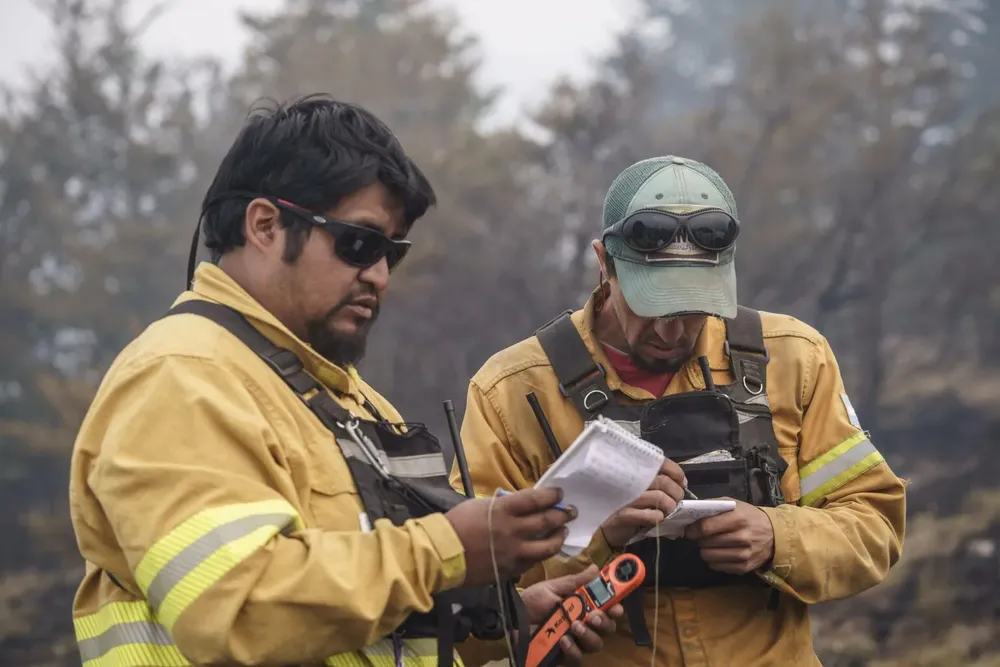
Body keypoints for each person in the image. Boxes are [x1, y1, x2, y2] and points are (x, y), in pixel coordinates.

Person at [67, 94, 623, 667]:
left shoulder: (349, 399)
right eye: (359, 243)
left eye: (391, 254)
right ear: (264, 226)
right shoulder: (180, 377)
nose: (379, 276)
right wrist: (452, 548)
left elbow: (364, 614)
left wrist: (509, 620)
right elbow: (239, 609)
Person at [453, 155, 907, 666]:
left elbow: (875, 528)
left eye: (692, 310)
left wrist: (777, 537)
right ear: (604, 264)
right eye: (650, 305)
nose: (670, 333)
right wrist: (599, 537)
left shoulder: (794, 359)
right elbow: (463, 606)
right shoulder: (513, 392)